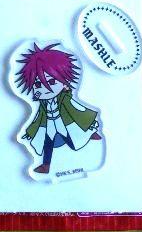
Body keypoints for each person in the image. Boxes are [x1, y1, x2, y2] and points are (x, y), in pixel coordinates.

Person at [15, 43, 102, 174]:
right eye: (38, 84)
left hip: (64, 122)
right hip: (50, 124)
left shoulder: (64, 98)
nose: (45, 88)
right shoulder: (42, 104)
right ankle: (46, 166)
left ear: (63, 81)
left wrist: (67, 91)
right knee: (48, 142)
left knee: (72, 142)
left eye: (51, 82)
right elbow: (38, 118)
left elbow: (76, 108)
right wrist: (30, 132)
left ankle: (88, 134)